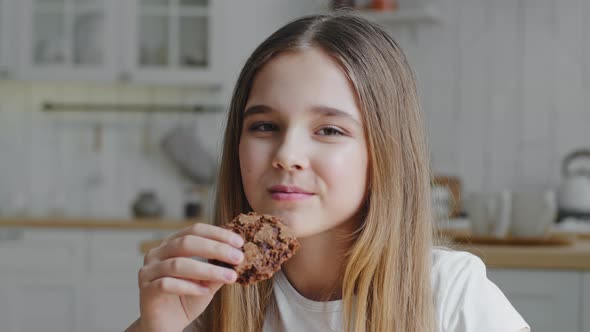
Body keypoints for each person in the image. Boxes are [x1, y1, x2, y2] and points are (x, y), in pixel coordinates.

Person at [125, 11, 530, 332]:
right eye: (265, 126)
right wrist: (156, 327)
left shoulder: (451, 295)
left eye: (329, 130)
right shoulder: (202, 299)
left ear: (384, 151)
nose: (287, 154)